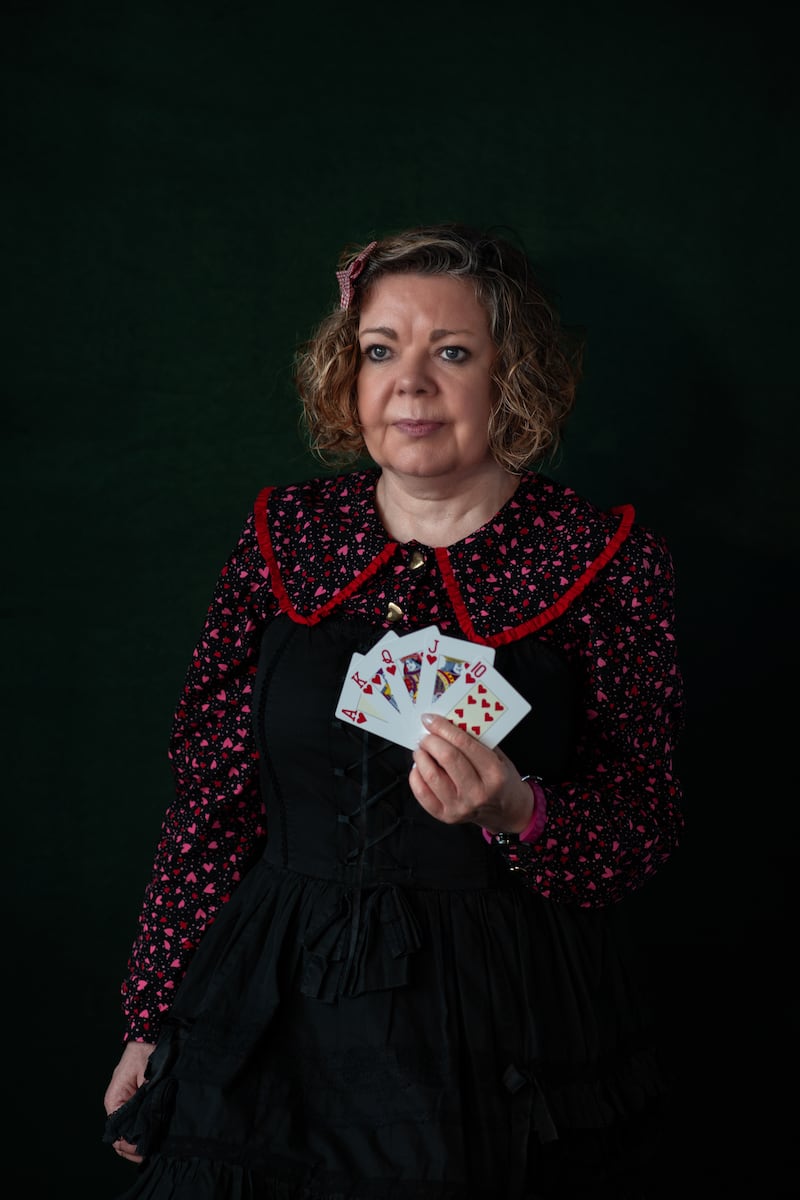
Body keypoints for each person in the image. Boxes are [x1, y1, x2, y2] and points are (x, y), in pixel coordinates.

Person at [102, 222, 685, 1199]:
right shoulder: (281, 535)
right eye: (381, 350)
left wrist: (520, 814)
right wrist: (152, 1012)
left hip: (496, 1017)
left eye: (450, 352)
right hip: (271, 1000)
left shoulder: (607, 560)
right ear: (348, 372)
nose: (408, 384)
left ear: (511, 375)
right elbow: (212, 800)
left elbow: (644, 823)